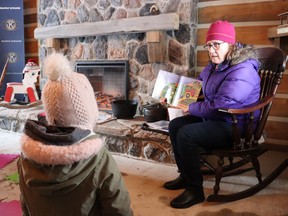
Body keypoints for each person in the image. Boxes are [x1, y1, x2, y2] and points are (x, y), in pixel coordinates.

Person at [17, 53, 133, 216]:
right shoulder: (100, 159)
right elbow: (120, 211)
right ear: (89, 110)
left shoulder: (26, 158)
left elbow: (26, 208)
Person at [163, 20, 261, 209]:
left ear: (230, 45)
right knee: (176, 125)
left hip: (235, 126)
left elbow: (221, 105)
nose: (212, 50)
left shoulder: (243, 69)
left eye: (217, 44)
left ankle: (195, 191)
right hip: (219, 118)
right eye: (209, 45)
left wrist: (190, 108)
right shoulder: (215, 65)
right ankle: (186, 175)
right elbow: (197, 85)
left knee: (187, 134)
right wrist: (173, 97)